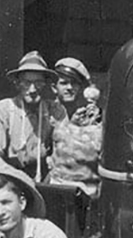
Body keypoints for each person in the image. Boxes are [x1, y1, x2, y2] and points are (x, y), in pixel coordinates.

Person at [0, 51, 66, 182]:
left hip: (43, 183)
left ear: (46, 84)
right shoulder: (1, 110)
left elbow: (65, 156)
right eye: (26, 83)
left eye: (38, 83)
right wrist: (18, 178)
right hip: (5, 181)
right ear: (17, 83)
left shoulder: (54, 111)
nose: (32, 90)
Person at [47, 57, 103, 185]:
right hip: (54, 182)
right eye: (64, 83)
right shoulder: (46, 112)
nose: (69, 87)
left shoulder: (90, 115)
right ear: (54, 88)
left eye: (74, 83)